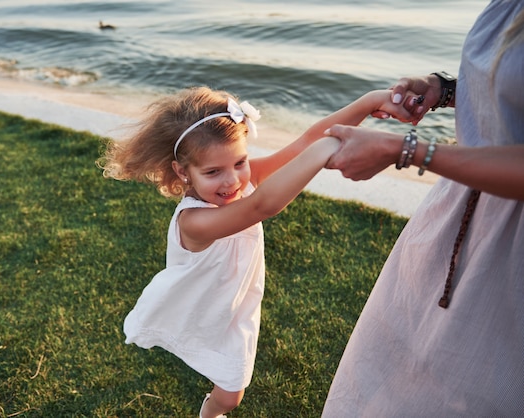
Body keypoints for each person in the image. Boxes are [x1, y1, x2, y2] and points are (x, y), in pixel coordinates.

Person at [98, 86, 405, 417]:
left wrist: (370, 101)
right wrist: (328, 150)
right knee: (228, 390)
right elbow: (263, 205)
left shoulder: (242, 181)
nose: (232, 182)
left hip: (236, 306)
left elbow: (306, 141)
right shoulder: (194, 221)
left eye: (240, 162)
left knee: (231, 397)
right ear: (183, 172)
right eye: (213, 172)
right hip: (198, 306)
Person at [322, 0, 524, 416]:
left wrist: (407, 149)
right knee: (398, 376)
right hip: (457, 218)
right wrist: (444, 89)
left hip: (513, 256)